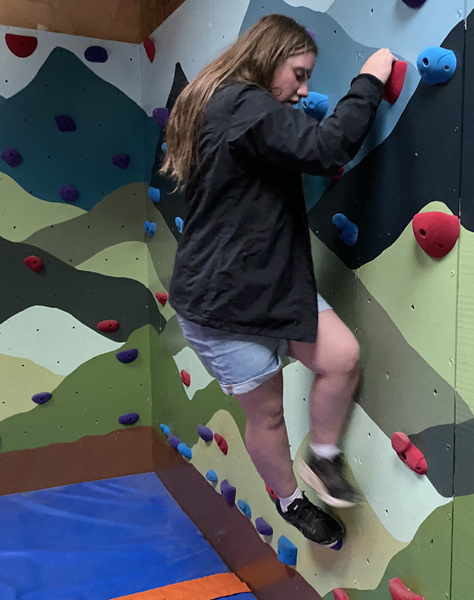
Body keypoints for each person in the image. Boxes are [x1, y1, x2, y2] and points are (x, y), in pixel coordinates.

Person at [161, 14, 395, 548]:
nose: (304, 89)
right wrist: (370, 81)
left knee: (340, 358)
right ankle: (290, 502)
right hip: (221, 305)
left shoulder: (236, 105)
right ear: (268, 58)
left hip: (271, 280)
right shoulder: (241, 102)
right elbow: (326, 149)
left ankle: (324, 456)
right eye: (299, 72)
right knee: (266, 415)